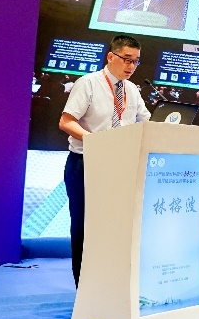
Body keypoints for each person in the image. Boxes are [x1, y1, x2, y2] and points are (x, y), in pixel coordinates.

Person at [58, 35, 152, 287]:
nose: (131, 66)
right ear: (111, 56)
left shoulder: (132, 90)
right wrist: (96, 142)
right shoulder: (88, 83)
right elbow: (66, 121)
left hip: (120, 166)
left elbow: (146, 122)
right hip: (86, 164)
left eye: (136, 61)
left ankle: (109, 288)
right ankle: (85, 291)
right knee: (85, 228)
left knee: (113, 228)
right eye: (127, 59)